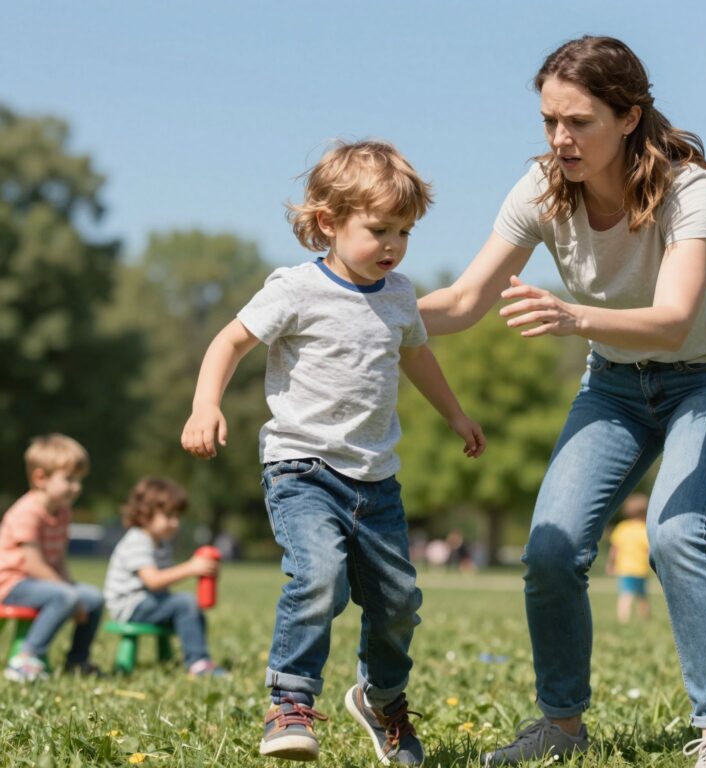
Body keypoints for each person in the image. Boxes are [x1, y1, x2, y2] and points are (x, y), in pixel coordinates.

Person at [419, 36, 706, 768]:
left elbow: (673, 318)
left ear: (629, 115)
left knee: (675, 534)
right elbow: (465, 299)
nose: (560, 139)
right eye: (548, 121)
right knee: (548, 549)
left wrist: (573, 318)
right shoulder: (541, 189)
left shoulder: (687, 185)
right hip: (614, 385)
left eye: (579, 122)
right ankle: (562, 727)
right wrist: (366, 314)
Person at [181, 139, 485, 765]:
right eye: (379, 229)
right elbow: (229, 341)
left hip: (377, 479)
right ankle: (289, 704)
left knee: (398, 601)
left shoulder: (399, 295)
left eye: (405, 230)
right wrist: (205, 404)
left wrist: (455, 413)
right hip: (302, 468)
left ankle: (383, 699)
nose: (394, 244)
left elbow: (417, 356)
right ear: (328, 222)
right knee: (318, 577)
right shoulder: (294, 289)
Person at [0, 434, 104, 681]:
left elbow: (58, 560)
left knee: (95, 599)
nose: (76, 487)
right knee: (67, 596)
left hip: (41, 583)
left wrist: (74, 591)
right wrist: (70, 593)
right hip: (12, 583)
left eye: (79, 480)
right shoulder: (28, 511)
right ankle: (26, 658)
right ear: (41, 478)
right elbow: (33, 564)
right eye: (69, 479)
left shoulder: (63, 512)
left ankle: (77, 661)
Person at [103, 477, 225, 676]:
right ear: (144, 514)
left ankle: (197, 659)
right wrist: (191, 568)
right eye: (168, 515)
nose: (175, 522)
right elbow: (153, 581)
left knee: (190, 608)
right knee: (185, 603)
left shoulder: (160, 543)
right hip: (129, 605)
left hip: (147, 601)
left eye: (177, 516)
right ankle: (198, 663)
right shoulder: (138, 540)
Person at [606, 493, 651, 624]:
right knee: (642, 596)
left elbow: (614, 549)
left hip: (624, 568)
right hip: (640, 569)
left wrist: (611, 564)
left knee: (626, 594)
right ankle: (646, 619)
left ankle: (623, 619)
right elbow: (649, 550)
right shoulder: (645, 529)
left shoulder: (622, 528)